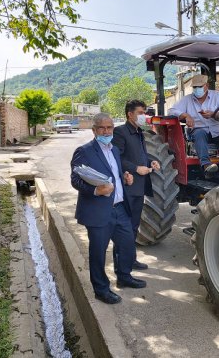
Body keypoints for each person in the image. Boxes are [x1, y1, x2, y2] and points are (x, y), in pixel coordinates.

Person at [70, 113, 146, 305]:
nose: (106, 131)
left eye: (109, 127)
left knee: (127, 243)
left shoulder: (114, 151)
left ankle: (124, 276)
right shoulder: (84, 151)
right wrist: (95, 190)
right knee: (98, 251)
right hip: (98, 210)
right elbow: (76, 179)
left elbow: (116, 175)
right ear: (94, 130)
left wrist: (126, 178)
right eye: (102, 128)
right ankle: (101, 289)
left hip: (119, 207)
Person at [112, 100, 160, 270]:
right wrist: (135, 169)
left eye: (145, 112)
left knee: (133, 226)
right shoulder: (120, 132)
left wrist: (151, 162)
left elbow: (140, 156)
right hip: (127, 186)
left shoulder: (140, 133)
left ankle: (130, 259)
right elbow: (116, 158)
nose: (144, 116)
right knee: (123, 228)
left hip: (139, 187)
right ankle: (120, 264)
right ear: (130, 114)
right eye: (140, 112)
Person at [168, 74, 219, 176]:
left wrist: (214, 114)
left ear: (206, 85)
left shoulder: (217, 96)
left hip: (217, 131)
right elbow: (171, 111)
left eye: (199, 87)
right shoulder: (187, 99)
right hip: (198, 131)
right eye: (195, 87)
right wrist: (185, 115)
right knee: (200, 132)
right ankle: (206, 165)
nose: (197, 89)